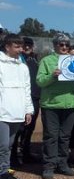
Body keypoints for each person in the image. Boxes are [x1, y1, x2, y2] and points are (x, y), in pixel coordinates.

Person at [36, 34, 74, 179]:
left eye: (66, 45)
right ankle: (49, 166)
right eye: (61, 44)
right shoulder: (47, 61)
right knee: (51, 136)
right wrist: (52, 76)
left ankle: (63, 164)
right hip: (51, 104)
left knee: (65, 137)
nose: (64, 47)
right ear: (55, 46)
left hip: (70, 103)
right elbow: (40, 81)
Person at [0, 34, 34, 179]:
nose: (21, 49)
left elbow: (27, 90)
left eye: (21, 46)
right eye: (17, 46)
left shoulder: (22, 67)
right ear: (7, 47)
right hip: (2, 112)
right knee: (2, 145)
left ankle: (5, 172)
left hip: (17, 111)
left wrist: (28, 110)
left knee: (9, 145)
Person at [11, 36, 40, 165]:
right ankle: (12, 156)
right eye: (24, 45)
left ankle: (26, 152)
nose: (27, 47)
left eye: (29, 45)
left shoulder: (34, 60)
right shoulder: (16, 61)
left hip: (34, 99)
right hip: (19, 99)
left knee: (30, 128)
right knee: (18, 129)